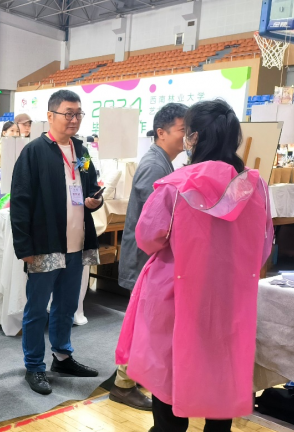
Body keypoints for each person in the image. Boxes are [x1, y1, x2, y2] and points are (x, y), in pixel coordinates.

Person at [116, 99, 273, 432]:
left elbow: (148, 238)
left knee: (171, 377)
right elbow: (262, 248)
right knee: (222, 374)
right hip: (230, 299)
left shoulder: (176, 185)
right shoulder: (255, 186)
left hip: (177, 296)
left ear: (194, 138)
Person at [10, 89, 103, 395]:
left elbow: (91, 186)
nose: (74, 119)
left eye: (78, 114)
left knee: (67, 305)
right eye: (68, 113)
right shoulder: (34, 151)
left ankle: (62, 357)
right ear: (50, 116)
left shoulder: (82, 150)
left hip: (77, 243)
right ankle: (34, 365)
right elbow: (20, 202)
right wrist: (24, 247)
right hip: (45, 244)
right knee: (37, 309)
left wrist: (95, 201)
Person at [112, 103, 187, 411]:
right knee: (142, 324)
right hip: (145, 258)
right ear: (161, 132)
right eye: (182, 130)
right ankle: (123, 384)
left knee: (144, 323)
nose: (187, 136)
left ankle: (132, 376)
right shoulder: (155, 165)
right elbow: (153, 222)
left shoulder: (163, 162)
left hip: (148, 257)